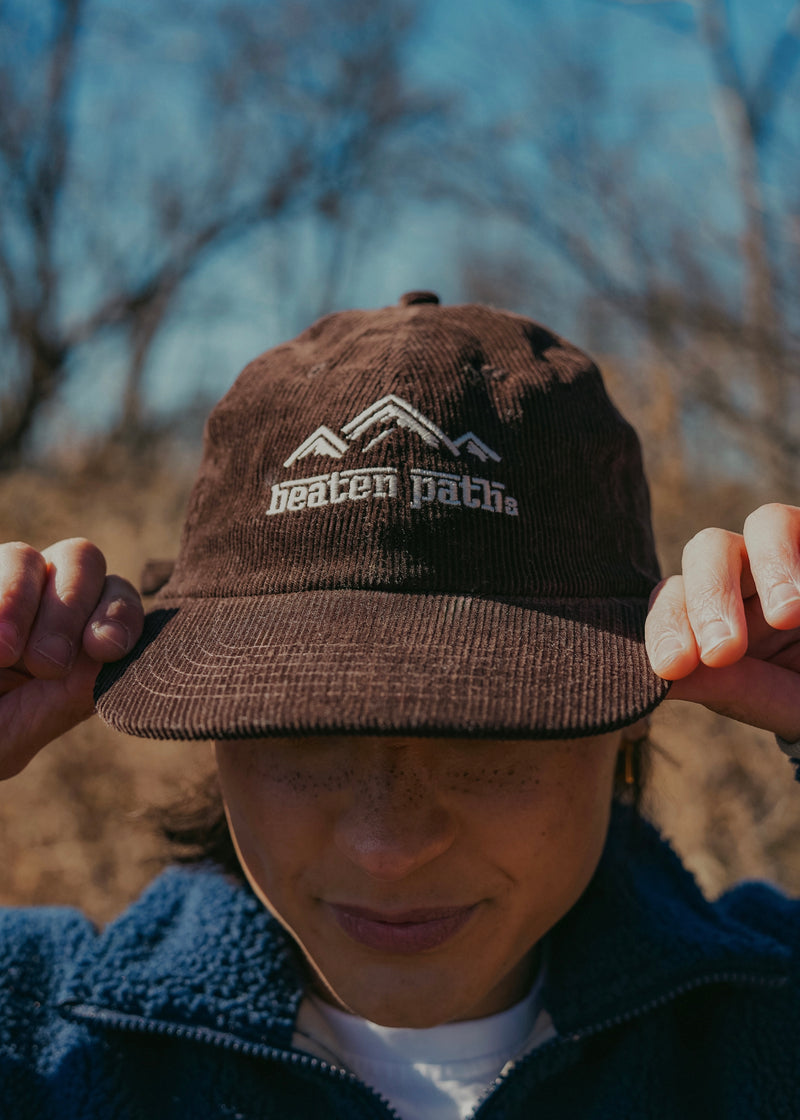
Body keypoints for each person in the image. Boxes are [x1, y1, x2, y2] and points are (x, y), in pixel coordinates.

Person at [0, 291, 798, 1119]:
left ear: (638, 701)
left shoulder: (772, 1018)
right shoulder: (34, 1038)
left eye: (489, 731)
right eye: (303, 730)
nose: (389, 845)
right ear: (216, 729)